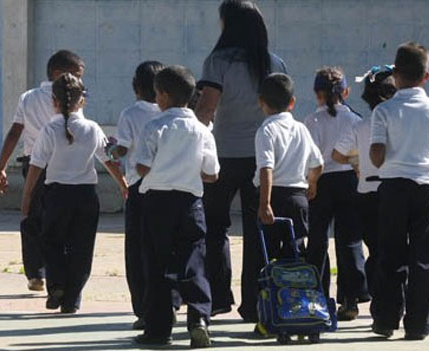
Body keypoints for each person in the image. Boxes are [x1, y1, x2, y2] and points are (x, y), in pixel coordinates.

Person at [194, 0, 287, 321]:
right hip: (263, 159)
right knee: (257, 228)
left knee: (214, 226)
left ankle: (218, 296)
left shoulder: (217, 61)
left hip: (224, 155)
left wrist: (193, 141)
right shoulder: (274, 62)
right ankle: (254, 302)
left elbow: (207, 108)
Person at [369, 42, 429, 340]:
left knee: (390, 253)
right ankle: (418, 324)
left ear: (394, 74)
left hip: (393, 187)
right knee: (426, 256)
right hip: (427, 187)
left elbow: (376, 156)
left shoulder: (384, 110)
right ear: (426, 76)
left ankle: (386, 320)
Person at [21, 73, 127, 314]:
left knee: (51, 241)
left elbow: (36, 164)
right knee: (82, 247)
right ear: (83, 100)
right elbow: (107, 159)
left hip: (57, 195)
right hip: (86, 196)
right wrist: (123, 183)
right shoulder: (92, 128)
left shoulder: (50, 129)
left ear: (53, 101)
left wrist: (27, 197)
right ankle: (72, 300)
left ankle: (57, 284)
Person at [133, 66, 218, 348]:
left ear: (165, 96)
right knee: (194, 260)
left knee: (157, 264)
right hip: (191, 203)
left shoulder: (155, 126)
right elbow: (212, 173)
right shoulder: (202, 130)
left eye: (157, 94)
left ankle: (159, 328)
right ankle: (199, 319)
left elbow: (143, 167)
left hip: (158, 202)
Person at [0, 50, 85, 292]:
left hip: (34, 165)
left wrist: (1, 166)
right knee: (61, 219)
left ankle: (36, 273)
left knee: (33, 217)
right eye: (77, 74)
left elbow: (15, 132)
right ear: (58, 74)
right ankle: (58, 272)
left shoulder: (28, 97)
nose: (80, 81)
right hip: (64, 166)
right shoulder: (72, 96)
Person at [304, 66, 369, 321]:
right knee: (350, 240)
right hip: (347, 181)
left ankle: (317, 295)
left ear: (316, 93)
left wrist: (310, 183)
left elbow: (311, 158)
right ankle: (351, 299)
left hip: (320, 181)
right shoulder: (354, 119)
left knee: (318, 240)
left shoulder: (311, 121)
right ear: (346, 92)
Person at [332, 66, 397, 313]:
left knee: (370, 248)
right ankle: (390, 301)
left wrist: (356, 163)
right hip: (394, 189)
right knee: (392, 249)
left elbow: (337, 154)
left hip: (366, 190)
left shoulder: (360, 125)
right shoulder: (400, 123)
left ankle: (364, 300)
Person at [109, 60, 166, 329]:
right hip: (167, 187)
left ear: (136, 86)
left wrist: (111, 150)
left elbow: (121, 150)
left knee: (138, 250)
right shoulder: (171, 113)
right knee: (164, 247)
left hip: (138, 186)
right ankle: (169, 302)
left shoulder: (130, 114)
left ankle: (143, 308)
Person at [254, 73, 323, 261]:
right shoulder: (301, 128)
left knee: (267, 254)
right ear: (292, 102)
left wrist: (264, 203)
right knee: (296, 252)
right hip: (298, 197)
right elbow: (317, 163)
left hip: (274, 196)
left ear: (261, 101)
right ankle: (296, 289)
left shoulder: (266, 130)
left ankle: (272, 290)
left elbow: (266, 168)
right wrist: (312, 184)